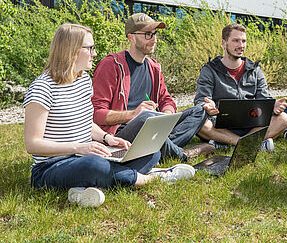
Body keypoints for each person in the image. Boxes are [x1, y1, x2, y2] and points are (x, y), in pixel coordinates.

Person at [24, 23, 195, 208]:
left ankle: (82, 191)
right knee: (94, 166)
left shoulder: (83, 80)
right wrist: (80, 148)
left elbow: (85, 123)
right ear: (71, 50)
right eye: (90, 48)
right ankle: (154, 177)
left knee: (151, 153)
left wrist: (108, 138)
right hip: (52, 166)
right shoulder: (42, 88)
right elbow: (32, 144)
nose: (94, 54)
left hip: (85, 156)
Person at [92, 13, 215, 162]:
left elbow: (166, 99)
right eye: (148, 35)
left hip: (152, 126)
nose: (154, 40)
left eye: (155, 34)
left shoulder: (153, 67)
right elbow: (97, 114)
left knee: (200, 110)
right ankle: (181, 154)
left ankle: (162, 146)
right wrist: (134, 114)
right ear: (131, 37)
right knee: (146, 118)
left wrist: (165, 116)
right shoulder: (111, 65)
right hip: (120, 134)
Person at [194, 23, 287, 151]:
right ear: (224, 43)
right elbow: (201, 100)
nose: (241, 45)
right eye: (236, 41)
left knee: (283, 119)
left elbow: (264, 98)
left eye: (244, 41)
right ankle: (249, 143)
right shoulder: (209, 70)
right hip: (219, 126)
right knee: (198, 122)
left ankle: (225, 143)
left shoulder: (255, 70)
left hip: (252, 125)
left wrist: (272, 106)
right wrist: (207, 106)